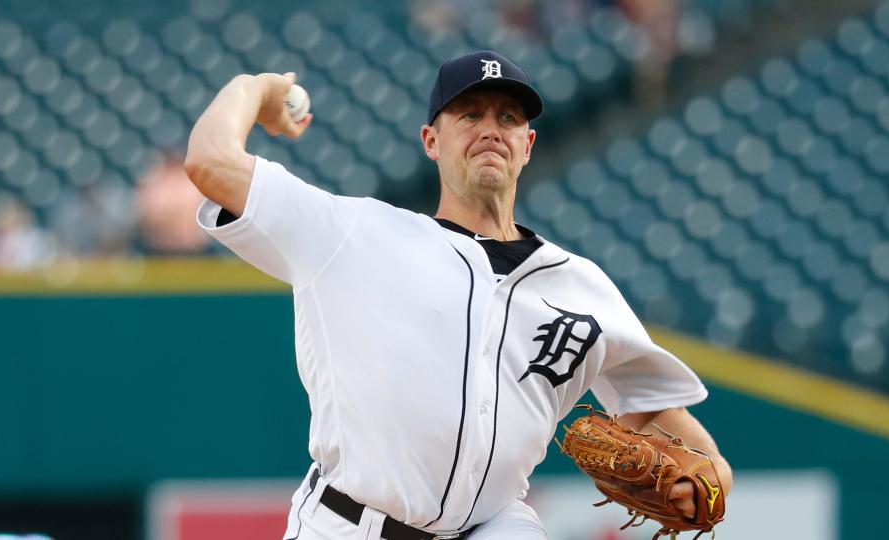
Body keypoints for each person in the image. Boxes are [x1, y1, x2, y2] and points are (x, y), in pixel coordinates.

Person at [185, 50, 732, 540]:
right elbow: (210, 162)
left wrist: (708, 484)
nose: (491, 129)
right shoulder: (353, 233)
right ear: (432, 140)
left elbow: (671, 429)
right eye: (470, 115)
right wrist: (255, 87)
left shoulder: (583, 287)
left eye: (508, 118)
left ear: (527, 146)